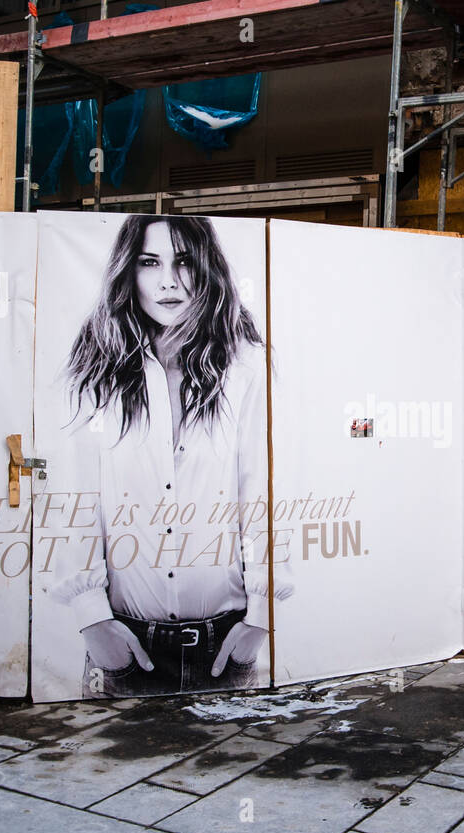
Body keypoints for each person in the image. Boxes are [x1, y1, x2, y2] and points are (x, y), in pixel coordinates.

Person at [53, 215, 288, 697]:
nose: (168, 282)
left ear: (207, 268)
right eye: (149, 262)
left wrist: (259, 621)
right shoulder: (97, 372)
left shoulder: (245, 368)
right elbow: (74, 496)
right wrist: (93, 621)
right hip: (123, 647)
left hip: (226, 645)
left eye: (184, 261)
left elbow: (261, 493)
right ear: (128, 272)